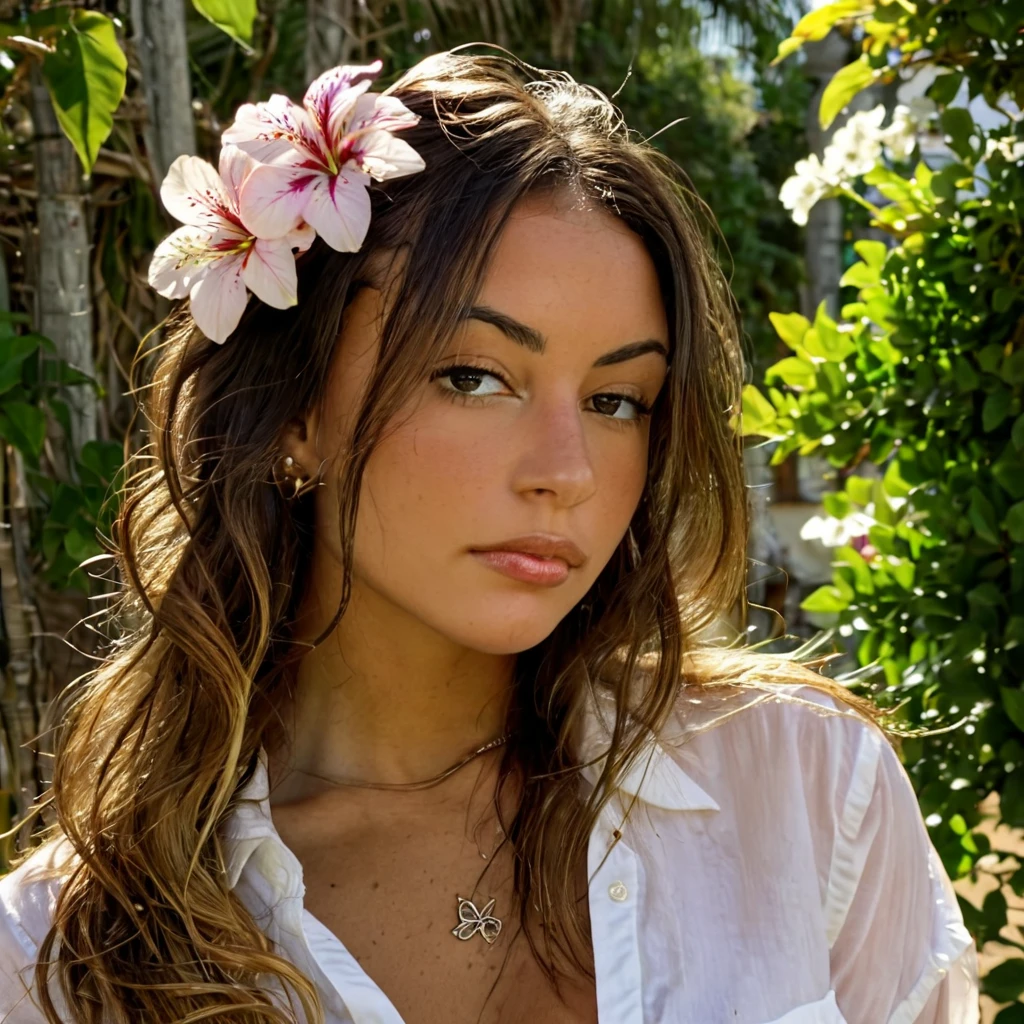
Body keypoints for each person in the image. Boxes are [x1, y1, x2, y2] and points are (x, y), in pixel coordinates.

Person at [0, 49, 978, 1024]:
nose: (567, 470)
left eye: (615, 399)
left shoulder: (803, 786)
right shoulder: (55, 955)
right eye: (474, 376)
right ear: (292, 415)